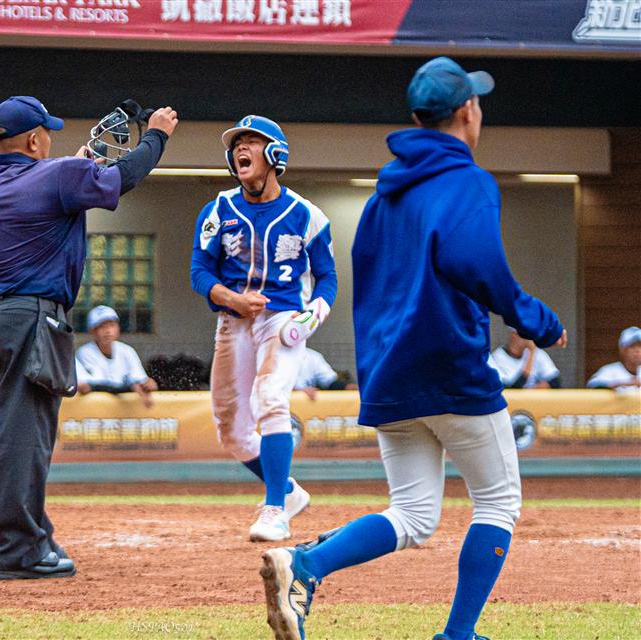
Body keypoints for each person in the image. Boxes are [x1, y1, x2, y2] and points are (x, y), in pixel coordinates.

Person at [259, 57, 566, 640]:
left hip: (390, 376)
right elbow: (480, 267)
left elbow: (373, 284)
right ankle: (458, 635)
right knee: (498, 504)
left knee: (414, 514)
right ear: (467, 111)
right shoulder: (468, 182)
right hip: (450, 369)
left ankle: (306, 564)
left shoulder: (382, 197)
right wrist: (539, 322)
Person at [0, 96, 177, 580]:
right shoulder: (58, 175)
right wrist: (157, 134)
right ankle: (17, 552)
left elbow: (47, 182)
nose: (51, 139)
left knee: (3, 442)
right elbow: (125, 177)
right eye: (47, 133)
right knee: (27, 440)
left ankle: (33, 535)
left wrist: (76, 167)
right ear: (33, 140)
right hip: (27, 318)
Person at [190, 115, 337, 542]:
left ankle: (275, 511)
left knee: (271, 399)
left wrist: (313, 315)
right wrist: (231, 299)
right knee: (232, 431)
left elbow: (327, 277)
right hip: (233, 318)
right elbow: (199, 271)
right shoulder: (218, 209)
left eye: (252, 141)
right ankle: (288, 491)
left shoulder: (306, 214)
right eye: (237, 143)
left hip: (283, 317)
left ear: (275, 154)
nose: (241, 148)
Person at [75, 305, 158, 408]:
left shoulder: (127, 351)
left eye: (111, 325)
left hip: (123, 411)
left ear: (118, 328)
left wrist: (146, 384)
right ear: (93, 331)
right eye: (102, 327)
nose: (107, 331)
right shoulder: (84, 353)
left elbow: (139, 380)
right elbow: (94, 386)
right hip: (95, 409)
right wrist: (132, 387)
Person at [488, 330, 561, 389]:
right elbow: (513, 387)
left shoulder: (538, 353)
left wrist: (539, 388)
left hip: (534, 401)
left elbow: (556, 382)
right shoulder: (498, 357)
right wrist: (531, 353)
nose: (529, 339)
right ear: (514, 335)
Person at [587, 326, 641, 390]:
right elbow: (592, 384)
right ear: (622, 350)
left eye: (640, 346)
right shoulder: (610, 370)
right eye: (632, 346)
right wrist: (624, 383)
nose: (637, 350)